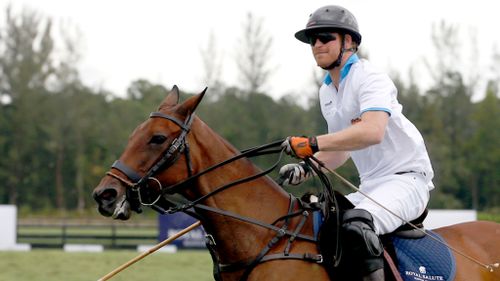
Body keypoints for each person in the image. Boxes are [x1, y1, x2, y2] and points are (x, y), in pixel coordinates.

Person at [279, 5, 434, 281]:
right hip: (371, 188)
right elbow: (341, 152)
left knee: (356, 226)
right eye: (312, 40)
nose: (317, 45)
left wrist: (313, 143)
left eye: (325, 37)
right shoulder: (327, 90)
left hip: (408, 181)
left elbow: (372, 131)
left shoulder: (370, 77)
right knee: (317, 223)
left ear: (349, 42)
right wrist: (304, 169)